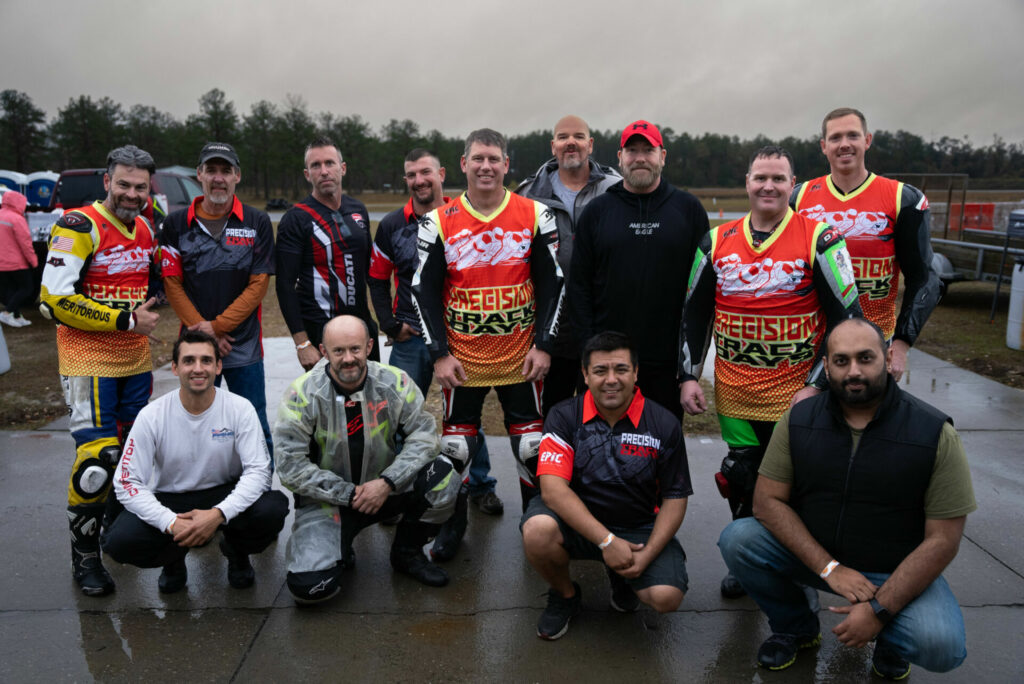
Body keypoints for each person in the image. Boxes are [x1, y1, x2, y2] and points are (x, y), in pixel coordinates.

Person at [718, 317, 975, 679]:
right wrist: (830, 569)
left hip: (893, 570)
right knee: (739, 540)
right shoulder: (798, 420)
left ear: (887, 359)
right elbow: (766, 503)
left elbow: (943, 541)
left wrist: (879, 610)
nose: (853, 371)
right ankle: (796, 627)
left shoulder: (934, 432)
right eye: (841, 361)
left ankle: (891, 641)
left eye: (865, 358)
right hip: (819, 559)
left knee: (941, 645)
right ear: (826, 366)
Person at [679, 146, 861, 599]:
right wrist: (688, 376)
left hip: (799, 395)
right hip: (736, 394)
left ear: (791, 184)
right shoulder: (714, 242)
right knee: (741, 476)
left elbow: (848, 319)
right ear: (747, 182)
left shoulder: (823, 239)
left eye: (779, 179)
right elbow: (694, 316)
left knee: (800, 483)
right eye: (761, 177)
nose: (769, 186)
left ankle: (806, 561)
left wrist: (819, 385)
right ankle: (747, 556)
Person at [412, 128, 562, 562]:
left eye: (494, 159)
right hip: (461, 360)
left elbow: (554, 283)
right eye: (478, 158)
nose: (486, 166)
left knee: (532, 447)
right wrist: (438, 353)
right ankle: (451, 527)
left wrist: (544, 344)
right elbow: (423, 290)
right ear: (463, 164)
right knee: (456, 450)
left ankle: (537, 526)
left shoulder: (536, 214)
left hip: (521, 358)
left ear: (506, 164)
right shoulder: (438, 221)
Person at [38, 144, 162, 596]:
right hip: (86, 360)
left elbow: (148, 282)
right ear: (107, 182)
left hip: (136, 360)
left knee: (129, 453)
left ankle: (113, 526)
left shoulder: (147, 226)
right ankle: (85, 557)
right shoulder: (78, 224)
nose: (131, 194)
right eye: (124, 184)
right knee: (97, 460)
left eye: (140, 187)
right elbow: (52, 301)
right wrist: (124, 319)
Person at [274, 315, 461, 600]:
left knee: (444, 476)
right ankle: (339, 546)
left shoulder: (395, 382)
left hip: (384, 492)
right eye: (338, 351)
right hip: (328, 503)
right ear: (324, 351)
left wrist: (387, 482)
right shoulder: (301, 394)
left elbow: (424, 438)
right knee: (309, 590)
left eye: (355, 349)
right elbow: (289, 466)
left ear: (369, 346)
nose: (348, 359)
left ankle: (407, 553)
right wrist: (349, 494)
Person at [521, 331, 691, 640]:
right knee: (537, 530)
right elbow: (553, 490)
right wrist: (607, 542)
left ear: (636, 372)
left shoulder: (664, 423)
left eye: (621, 369)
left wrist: (648, 554)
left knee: (666, 597)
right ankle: (566, 596)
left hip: (637, 525)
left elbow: (675, 498)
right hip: (576, 522)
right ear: (585, 374)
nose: (611, 379)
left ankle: (623, 575)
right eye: (600, 370)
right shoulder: (563, 416)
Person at [368, 149, 503, 516]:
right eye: (411, 175)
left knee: (464, 416)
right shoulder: (393, 225)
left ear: (441, 173)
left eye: (425, 172)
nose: (419, 180)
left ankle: (480, 484)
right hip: (411, 341)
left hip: (458, 338)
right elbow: (377, 279)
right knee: (397, 416)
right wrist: (390, 325)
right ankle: (396, 489)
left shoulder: (465, 217)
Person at [104, 330, 288, 594]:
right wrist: (170, 522)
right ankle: (173, 559)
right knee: (120, 541)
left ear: (218, 366)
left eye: (206, 360)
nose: (198, 368)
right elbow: (126, 481)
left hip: (224, 492)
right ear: (175, 368)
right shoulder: (152, 415)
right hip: (172, 498)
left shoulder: (240, 408)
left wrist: (218, 515)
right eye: (189, 361)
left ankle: (236, 552)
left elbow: (259, 472)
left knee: (271, 510)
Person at [567, 120, 709, 419]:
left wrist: (689, 371)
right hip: (607, 362)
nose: (640, 158)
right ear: (620, 157)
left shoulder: (688, 210)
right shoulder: (597, 212)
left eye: (649, 150)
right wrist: (589, 351)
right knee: (600, 448)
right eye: (632, 151)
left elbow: (701, 294)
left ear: (663, 156)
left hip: (666, 363)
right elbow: (578, 287)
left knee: (660, 452)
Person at [791, 107, 942, 381]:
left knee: (868, 423)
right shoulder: (797, 198)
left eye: (853, 135)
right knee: (805, 422)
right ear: (824, 147)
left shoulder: (902, 198)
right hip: (808, 345)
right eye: (835, 138)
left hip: (873, 343)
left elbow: (924, 278)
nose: (844, 144)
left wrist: (902, 343)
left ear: (867, 140)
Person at [159, 142, 275, 457]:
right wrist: (205, 335)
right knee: (193, 425)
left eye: (226, 170)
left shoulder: (257, 222)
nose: (219, 178)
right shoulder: (175, 224)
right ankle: (200, 493)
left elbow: (258, 284)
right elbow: (172, 283)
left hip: (243, 347)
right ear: (199, 175)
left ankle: (261, 493)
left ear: (237, 176)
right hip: (195, 347)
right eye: (212, 170)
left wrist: (219, 327)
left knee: (254, 425)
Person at [516, 115, 621, 415]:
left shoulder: (616, 189)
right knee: (554, 412)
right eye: (563, 137)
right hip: (551, 326)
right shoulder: (529, 193)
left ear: (590, 144)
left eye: (578, 136)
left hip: (602, 320)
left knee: (601, 412)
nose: (570, 142)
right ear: (553, 146)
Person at [276, 137, 378, 371]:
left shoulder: (358, 210)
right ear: (306, 174)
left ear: (342, 168)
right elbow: (284, 285)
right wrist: (302, 343)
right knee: (330, 405)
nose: (324, 171)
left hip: (361, 332)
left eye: (330, 163)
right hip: (321, 335)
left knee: (370, 403)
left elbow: (371, 272)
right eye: (316, 165)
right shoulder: (296, 218)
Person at [0, 189, 37, 327]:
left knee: (11, 291)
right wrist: (33, 261)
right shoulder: (17, 219)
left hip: (2, 264)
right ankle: (7, 313)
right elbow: (25, 243)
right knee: (27, 288)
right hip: (16, 263)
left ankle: (16, 315)